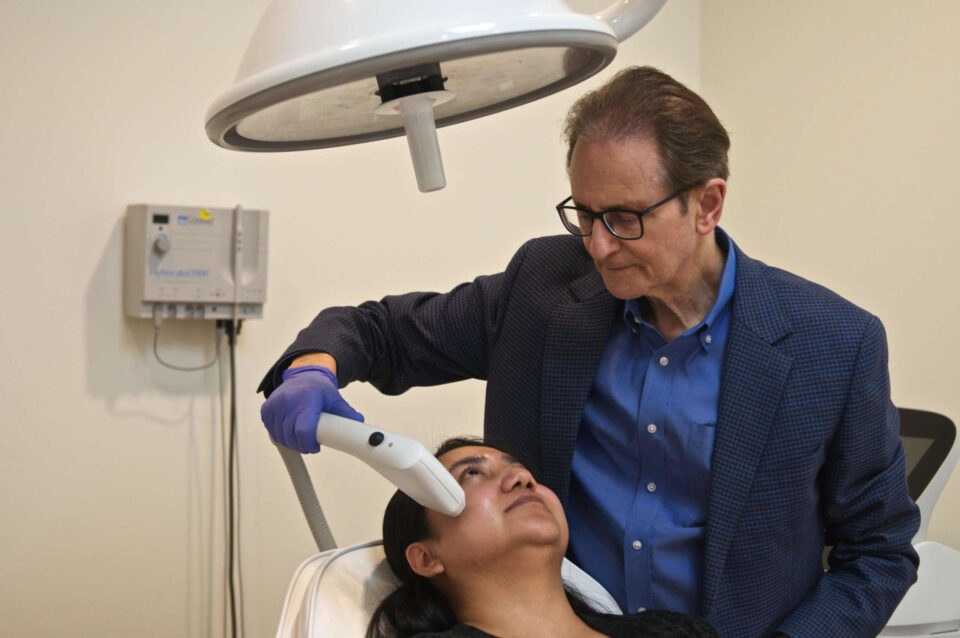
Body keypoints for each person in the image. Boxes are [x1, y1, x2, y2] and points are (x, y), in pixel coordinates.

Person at [259, 66, 920, 637]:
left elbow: (879, 550)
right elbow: (379, 332)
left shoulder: (831, 344)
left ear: (707, 204)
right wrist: (314, 369)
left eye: (625, 218)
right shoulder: (544, 292)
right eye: (584, 213)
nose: (599, 246)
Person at [367, 436, 719, 638]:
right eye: (472, 474)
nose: (522, 479)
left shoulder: (678, 633)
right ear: (427, 558)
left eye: (520, 470)